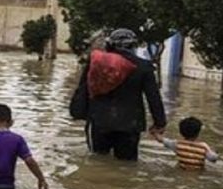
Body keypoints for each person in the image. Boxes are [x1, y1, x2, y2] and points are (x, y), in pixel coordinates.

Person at [70, 28, 167, 161]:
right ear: (134, 45)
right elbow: (154, 98)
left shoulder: (96, 63)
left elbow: (83, 89)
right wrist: (159, 123)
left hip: (99, 122)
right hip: (130, 125)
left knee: (96, 161)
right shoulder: (144, 67)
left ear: (109, 45)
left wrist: (78, 111)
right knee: (127, 165)